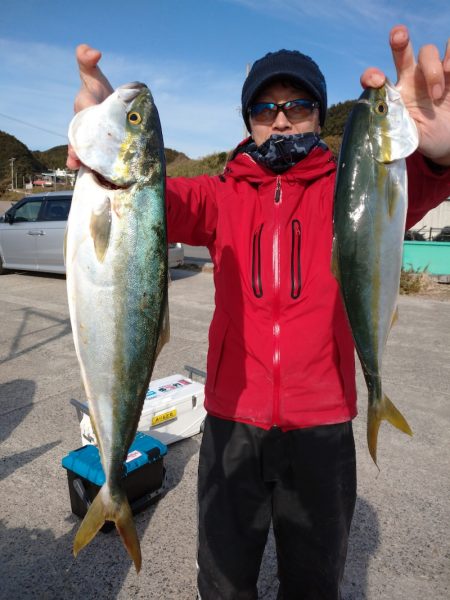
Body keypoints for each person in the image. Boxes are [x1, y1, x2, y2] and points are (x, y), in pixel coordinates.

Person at [67, 25, 450, 599]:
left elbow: (411, 189)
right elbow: (145, 198)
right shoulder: (220, 193)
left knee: (315, 584)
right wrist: (102, 144)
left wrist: (439, 156)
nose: (281, 119)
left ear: (319, 115)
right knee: (222, 584)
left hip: (322, 424)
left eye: (298, 105)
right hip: (231, 423)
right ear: (248, 119)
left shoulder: (351, 188)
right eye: (265, 108)